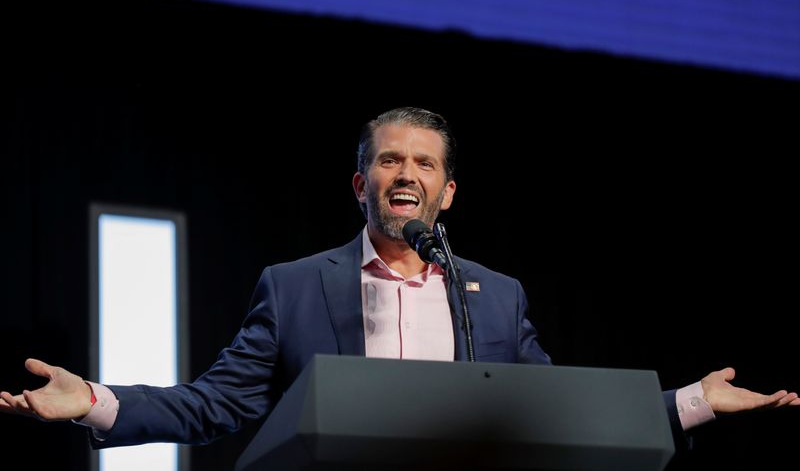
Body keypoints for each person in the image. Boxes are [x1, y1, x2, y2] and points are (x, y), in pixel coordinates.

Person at [1, 107, 797, 453]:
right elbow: (215, 404)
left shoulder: (495, 293)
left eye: (424, 162)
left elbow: (565, 412)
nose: (405, 173)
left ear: (447, 191)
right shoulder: (296, 286)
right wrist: (97, 400)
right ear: (361, 184)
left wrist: (689, 402)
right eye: (389, 159)